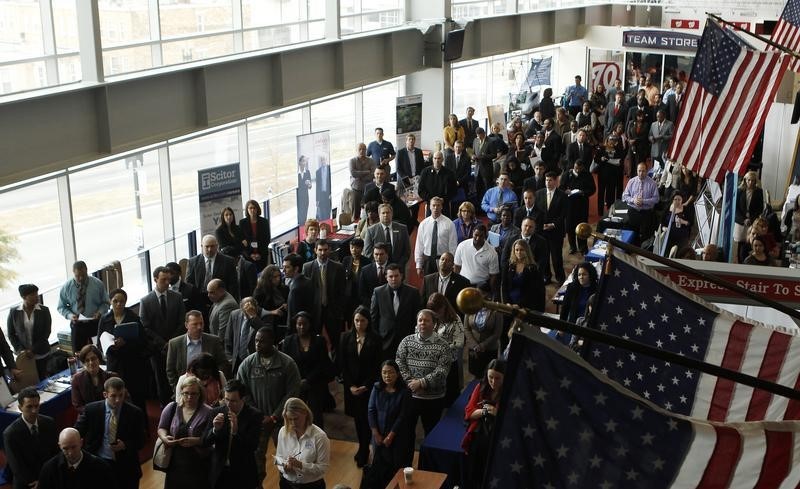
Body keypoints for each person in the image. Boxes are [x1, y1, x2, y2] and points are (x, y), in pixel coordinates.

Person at [236, 326, 301, 484]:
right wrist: (257, 415)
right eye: (256, 340)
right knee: (255, 461)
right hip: (257, 422)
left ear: (273, 342)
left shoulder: (287, 363)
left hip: (283, 421)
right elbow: (241, 392)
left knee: (286, 460)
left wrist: (274, 416)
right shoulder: (247, 364)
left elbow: (292, 392)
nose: (258, 344)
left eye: (262, 341)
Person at [74, 377, 145, 489]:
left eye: (121, 395)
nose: (118, 400)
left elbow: (141, 441)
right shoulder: (91, 410)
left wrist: (125, 445)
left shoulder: (135, 413)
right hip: (99, 464)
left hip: (126, 467)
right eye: (113, 396)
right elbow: (76, 432)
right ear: (105, 394)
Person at [338, 306, 381, 468]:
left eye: (362, 320)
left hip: (368, 388)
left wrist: (365, 385)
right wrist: (350, 386)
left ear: (368, 321)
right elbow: (342, 365)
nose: (359, 324)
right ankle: (362, 447)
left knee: (367, 418)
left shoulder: (375, 339)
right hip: (351, 388)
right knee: (357, 419)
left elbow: (376, 366)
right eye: (356, 320)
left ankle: (366, 448)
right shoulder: (344, 337)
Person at [396, 309, 451, 437]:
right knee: (406, 433)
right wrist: (411, 383)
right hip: (411, 395)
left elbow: (442, 370)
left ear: (434, 324)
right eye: (420, 320)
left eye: (426, 320)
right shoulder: (407, 341)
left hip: (434, 398)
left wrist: (421, 383)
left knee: (431, 434)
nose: (422, 323)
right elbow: (399, 361)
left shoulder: (443, 346)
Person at [96, 288, 148, 415]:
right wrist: (110, 345)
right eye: (115, 301)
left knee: (136, 397)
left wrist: (126, 343)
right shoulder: (105, 319)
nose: (119, 304)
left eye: (122, 302)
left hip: (132, 363)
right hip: (114, 364)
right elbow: (99, 342)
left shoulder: (133, 318)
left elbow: (143, 342)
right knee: (115, 397)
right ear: (110, 302)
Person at [140, 265, 187, 406]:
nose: (167, 282)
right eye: (163, 279)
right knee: (160, 378)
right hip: (157, 348)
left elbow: (182, 321)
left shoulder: (177, 297)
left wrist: (172, 341)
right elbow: (145, 326)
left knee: (178, 375)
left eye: (169, 279)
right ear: (155, 279)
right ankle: (164, 406)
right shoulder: (146, 301)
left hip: (176, 344)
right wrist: (162, 342)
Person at [204, 379, 263, 489]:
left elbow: (252, 446)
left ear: (243, 399)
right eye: (226, 399)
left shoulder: (254, 415)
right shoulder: (216, 412)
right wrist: (215, 430)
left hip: (243, 474)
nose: (229, 405)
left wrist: (236, 431)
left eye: (233, 401)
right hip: (219, 473)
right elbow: (204, 441)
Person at [157, 375, 213, 489]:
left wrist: (197, 441)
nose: (189, 397)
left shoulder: (209, 412)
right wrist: (164, 437)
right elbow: (161, 427)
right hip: (175, 464)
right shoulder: (172, 408)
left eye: (193, 394)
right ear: (181, 392)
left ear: (200, 394)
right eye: (186, 393)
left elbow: (212, 438)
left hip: (199, 464)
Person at [281, 312, 333, 430]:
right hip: (296, 383)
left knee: (316, 414)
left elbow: (322, 363)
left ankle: (317, 440)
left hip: (315, 382)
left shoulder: (319, 341)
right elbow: (286, 364)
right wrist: (298, 380)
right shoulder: (289, 341)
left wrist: (308, 380)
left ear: (310, 325)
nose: (302, 327)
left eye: (304, 324)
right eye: (299, 324)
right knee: (296, 413)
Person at [366, 360, 413, 488]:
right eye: (384, 373)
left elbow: (402, 416)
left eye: (391, 372)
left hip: (397, 436)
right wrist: (375, 433)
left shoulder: (405, 391)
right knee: (377, 467)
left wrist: (390, 436)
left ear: (397, 374)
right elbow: (371, 410)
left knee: (395, 467)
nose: (387, 376)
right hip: (378, 434)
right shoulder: (377, 387)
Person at [461, 359, 506, 489]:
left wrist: (496, 412)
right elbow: (469, 413)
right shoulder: (480, 386)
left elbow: (511, 419)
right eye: (490, 377)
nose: (493, 382)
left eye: (498, 378)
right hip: (479, 434)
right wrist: (486, 411)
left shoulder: (510, 391)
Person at [3, 387, 58, 489]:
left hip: (49, 475)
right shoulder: (10, 434)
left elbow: (56, 452)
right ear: (20, 408)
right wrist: (37, 482)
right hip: (28, 483)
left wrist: (47, 477)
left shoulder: (49, 423)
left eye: (37, 406)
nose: (34, 411)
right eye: (29, 407)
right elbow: (17, 467)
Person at [166, 310, 229, 394]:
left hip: (210, 390)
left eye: (201, 323)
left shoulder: (214, 341)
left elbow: (223, 363)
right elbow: (170, 370)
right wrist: (178, 389)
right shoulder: (174, 344)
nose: (199, 327)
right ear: (186, 325)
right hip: (186, 392)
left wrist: (213, 382)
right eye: (195, 324)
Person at [275, 397, 330, 489]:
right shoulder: (283, 431)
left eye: (296, 419)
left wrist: (301, 465)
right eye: (289, 419)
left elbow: (323, 468)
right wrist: (284, 468)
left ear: (305, 413)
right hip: (287, 484)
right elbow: (278, 458)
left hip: (311, 486)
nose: (293, 423)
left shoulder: (320, 436)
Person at [370, 263, 421, 360]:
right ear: (386, 277)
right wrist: (377, 338)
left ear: (401, 276)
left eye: (396, 276)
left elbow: (416, 317)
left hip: (406, 340)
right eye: (391, 276)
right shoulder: (378, 292)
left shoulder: (413, 292)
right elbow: (374, 318)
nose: (394, 279)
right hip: (384, 340)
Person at [58, 260, 109, 354]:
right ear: (73, 273)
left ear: (87, 271)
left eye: (83, 275)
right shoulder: (66, 287)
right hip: (77, 325)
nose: (81, 278)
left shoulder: (97, 284)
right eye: (78, 276)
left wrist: (100, 312)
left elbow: (106, 303)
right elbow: (61, 307)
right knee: (78, 353)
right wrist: (70, 316)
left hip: (95, 323)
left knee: (99, 351)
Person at [302, 238, 346, 349]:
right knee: (313, 341)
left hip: (333, 310)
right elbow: (305, 292)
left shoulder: (338, 267)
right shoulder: (307, 268)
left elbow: (342, 291)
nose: (323, 253)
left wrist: (339, 309)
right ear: (315, 250)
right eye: (320, 250)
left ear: (329, 250)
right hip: (314, 311)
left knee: (336, 341)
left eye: (325, 250)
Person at [37, 427, 115, 489]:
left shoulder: (100, 467)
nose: (70, 453)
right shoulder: (49, 469)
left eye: (73, 447)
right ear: (59, 446)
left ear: (81, 443)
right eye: (65, 448)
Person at [426, 293, 464, 406]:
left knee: (450, 398)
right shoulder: (430, 317)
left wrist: (440, 348)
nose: (435, 314)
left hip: (449, 363)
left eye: (437, 311)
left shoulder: (455, 319)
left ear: (444, 307)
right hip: (432, 364)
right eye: (432, 311)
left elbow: (460, 343)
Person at [7, 283, 49, 379]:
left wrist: (32, 350)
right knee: (30, 380)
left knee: (43, 379)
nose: (36, 297)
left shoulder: (44, 310)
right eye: (33, 295)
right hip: (24, 356)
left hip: (41, 353)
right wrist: (22, 351)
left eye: (37, 293)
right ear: (24, 297)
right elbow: (11, 334)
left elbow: (46, 333)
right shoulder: (14, 312)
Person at [464, 284, 503, 378]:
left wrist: (482, 345)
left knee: (488, 376)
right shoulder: (471, 307)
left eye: (479, 294)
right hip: (474, 349)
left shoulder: (497, 311)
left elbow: (497, 333)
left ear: (488, 295)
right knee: (475, 374)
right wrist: (474, 345)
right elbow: (466, 328)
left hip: (489, 350)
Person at [186, 234, 239, 301]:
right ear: (202, 246)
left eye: (212, 246)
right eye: (207, 246)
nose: (210, 249)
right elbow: (189, 284)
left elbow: (233, 285)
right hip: (199, 299)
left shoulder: (228, 261)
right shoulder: (193, 262)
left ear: (217, 246)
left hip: (220, 299)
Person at [556, 262, 598, 346]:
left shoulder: (596, 289)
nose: (581, 277)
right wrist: (561, 327)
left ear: (590, 275)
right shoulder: (572, 287)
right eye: (579, 275)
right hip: (574, 324)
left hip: (589, 326)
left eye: (584, 274)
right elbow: (565, 308)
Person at [414, 196, 458, 277]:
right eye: (433, 205)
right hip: (428, 260)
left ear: (441, 207)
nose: (435, 208)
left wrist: (453, 263)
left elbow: (453, 246)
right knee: (429, 286)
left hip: (444, 260)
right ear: (429, 207)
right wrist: (419, 265)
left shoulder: (449, 224)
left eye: (438, 205)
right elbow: (419, 245)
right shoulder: (423, 224)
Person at [560, 160, 596, 254]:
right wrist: (566, 191)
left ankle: (583, 247)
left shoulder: (587, 175)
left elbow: (592, 189)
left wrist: (583, 192)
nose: (577, 170)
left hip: (582, 204)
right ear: (574, 166)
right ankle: (572, 247)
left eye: (579, 169)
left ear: (582, 168)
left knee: (582, 226)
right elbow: (561, 187)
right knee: (570, 227)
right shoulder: (567, 174)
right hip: (569, 205)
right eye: (576, 168)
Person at [501, 239, 546, 313]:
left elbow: (532, 291)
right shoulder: (508, 265)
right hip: (509, 302)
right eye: (517, 250)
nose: (519, 252)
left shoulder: (532, 268)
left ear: (526, 251)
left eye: (521, 250)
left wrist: (519, 305)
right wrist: (507, 303)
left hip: (526, 304)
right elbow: (504, 286)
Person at [454, 224, 500, 295]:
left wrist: (491, 292)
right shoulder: (462, 246)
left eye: (481, 236)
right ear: (473, 233)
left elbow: (493, 275)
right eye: (476, 235)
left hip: (482, 286)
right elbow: (457, 267)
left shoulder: (492, 252)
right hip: (463, 284)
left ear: (485, 236)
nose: (478, 238)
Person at [420, 252, 471, 317]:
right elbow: (422, 302)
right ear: (438, 262)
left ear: (453, 264)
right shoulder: (428, 279)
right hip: (431, 319)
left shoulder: (463, 282)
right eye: (442, 259)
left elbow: (464, 306)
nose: (444, 262)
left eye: (448, 260)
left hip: (452, 319)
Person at [225, 296, 268, 372]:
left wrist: (253, 316)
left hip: (255, 362)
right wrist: (230, 359)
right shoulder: (234, 315)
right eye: (245, 308)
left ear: (256, 308)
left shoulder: (264, 316)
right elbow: (228, 339)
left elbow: (265, 333)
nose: (248, 310)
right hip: (237, 362)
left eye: (251, 308)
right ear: (241, 309)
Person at [363, 204, 411, 271]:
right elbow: (367, 252)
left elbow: (407, 251)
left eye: (388, 212)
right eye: (383, 213)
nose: (386, 215)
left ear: (392, 214)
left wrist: (398, 266)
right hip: (379, 269)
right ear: (379, 215)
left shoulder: (402, 229)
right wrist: (380, 264)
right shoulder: (371, 231)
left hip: (398, 269)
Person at [622, 162, 660, 246]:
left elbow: (656, 199)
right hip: (633, 211)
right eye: (639, 171)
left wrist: (644, 201)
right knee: (632, 233)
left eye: (643, 171)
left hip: (646, 213)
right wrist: (633, 200)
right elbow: (625, 196)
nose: (641, 173)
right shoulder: (631, 181)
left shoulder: (652, 183)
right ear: (636, 171)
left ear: (647, 171)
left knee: (645, 235)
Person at [71, 344, 115, 413]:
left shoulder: (111, 377)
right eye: (87, 360)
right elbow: (78, 406)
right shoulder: (77, 380)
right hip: (88, 417)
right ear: (83, 363)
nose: (91, 363)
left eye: (93, 358)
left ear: (99, 359)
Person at [597, 123, 626, 216]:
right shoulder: (601, 149)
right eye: (610, 140)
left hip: (613, 176)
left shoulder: (618, 150)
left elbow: (621, 161)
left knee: (610, 194)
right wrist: (601, 159)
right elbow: (595, 159)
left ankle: (610, 210)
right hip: (602, 175)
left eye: (614, 140)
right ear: (607, 140)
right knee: (601, 194)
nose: (612, 142)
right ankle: (600, 212)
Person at [417, 151, 458, 217]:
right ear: (432, 159)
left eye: (439, 158)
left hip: (444, 206)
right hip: (430, 205)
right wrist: (431, 199)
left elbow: (454, 190)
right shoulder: (425, 172)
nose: (437, 160)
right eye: (435, 158)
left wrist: (444, 199)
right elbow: (421, 190)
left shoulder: (449, 173)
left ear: (442, 159)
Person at [252, 264, 289, 330]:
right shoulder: (260, 291)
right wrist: (271, 312)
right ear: (268, 278)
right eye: (274, 277)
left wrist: (286, 306)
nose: (278, 279)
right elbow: (256, 308)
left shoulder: (284, 288)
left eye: (279, 276)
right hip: (267, 324)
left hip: (282, 322)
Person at [342, 238, 371, 323]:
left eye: (357, 248)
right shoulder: (346, 260)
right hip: (348, 296)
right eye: (352, 248)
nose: (354, 250)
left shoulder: (367, 262)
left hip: (361, 296)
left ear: (362, 249)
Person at [735, 170, 765, 251]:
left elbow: (760, 208)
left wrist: (751, 219)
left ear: (755, 181)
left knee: (750, 242)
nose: (750, 182)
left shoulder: (759, 191)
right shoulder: (739, 191)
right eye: (749, 180)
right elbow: (736, 208)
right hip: (741, 220)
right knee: (740, 243)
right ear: (745, 180)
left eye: (752, 180)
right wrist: (743, 220)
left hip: (752, 220)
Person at [239, 199, 271, 271]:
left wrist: (260, 255)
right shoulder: (242, 223)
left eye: (254, 208)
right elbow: (242, 242)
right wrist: (250, 255)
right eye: (250, 208)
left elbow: (267, 239)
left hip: (262, 255)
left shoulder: (264, 222)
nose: (252, 210)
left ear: (257, 209)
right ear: (247, 210)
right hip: (248, 256)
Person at [358, 242, 390, 308]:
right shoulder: (365, 270)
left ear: (387, 254)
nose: (378, 257)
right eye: (376, 254)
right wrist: (371, 305)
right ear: (373, 254)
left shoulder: (394, 269)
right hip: (370, 306)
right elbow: (362, 293)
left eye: (381, 254)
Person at [662, 191, 693, 255]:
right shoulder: (668, 208)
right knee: (666, 253)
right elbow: (662, 221)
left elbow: (690, 223)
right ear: (672, 200)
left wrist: (683, 222)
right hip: (669, 235)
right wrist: (663, 228)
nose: (677, 201)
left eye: (679, 199)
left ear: (682, 200)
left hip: (682, 237)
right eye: (675, 199)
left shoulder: (686, 209)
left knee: (679, 253)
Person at [349, 143, 376, 217]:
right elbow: (353, 173)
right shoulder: (352, 161)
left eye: (363, 149)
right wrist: (367, 172)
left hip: (368, 190)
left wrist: (360, 176)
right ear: (356, 150)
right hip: (356, 189)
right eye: (359, 149)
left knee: (370, 210)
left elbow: (373, 174)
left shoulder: (371, 161)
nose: (361, 151)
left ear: (366, 150)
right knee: (356, 211)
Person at [297, 155, 313, 226]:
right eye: (303, 161)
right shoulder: (297, 173)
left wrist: (309, 184)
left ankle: (303, 230)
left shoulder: (307, 172)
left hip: (306, 197)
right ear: (299, 162)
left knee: (305, 215)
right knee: (300, 216)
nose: (305, 163)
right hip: (299, 198)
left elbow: (310, 187)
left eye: (305, 161)